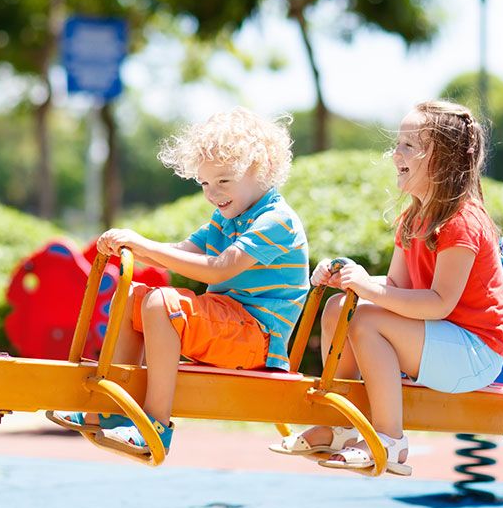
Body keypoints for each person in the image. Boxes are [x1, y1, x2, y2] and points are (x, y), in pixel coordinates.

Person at [47, 108, 309, 455]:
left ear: (258, 170)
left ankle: (156, 424)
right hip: (226, 323)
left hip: (257, 337)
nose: (213, 193)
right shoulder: (226, 218)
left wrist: (143, 245)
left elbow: (218, 268)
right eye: (204, 184)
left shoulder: (277, 220)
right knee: (133, 297)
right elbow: (180, 252)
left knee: (161, 304)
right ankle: (110, 410)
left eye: (223, 181)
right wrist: (130, 247)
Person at [271, 101, 503, 476]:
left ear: (443, 160)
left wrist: (369, 290)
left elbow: (439, 304)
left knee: (366, 320)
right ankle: (340, 427)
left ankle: (390, 439)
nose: (395, 154)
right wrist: (352, 279)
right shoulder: (412, 217)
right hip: (441, 337)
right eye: (396, 144)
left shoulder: (462, 220)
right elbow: (397, 287)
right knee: (340, 307)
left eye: (408, 146)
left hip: (475, 351)